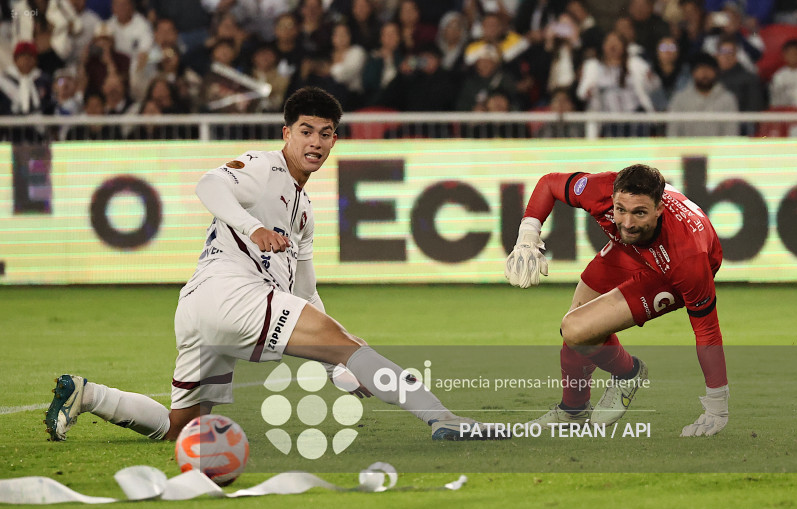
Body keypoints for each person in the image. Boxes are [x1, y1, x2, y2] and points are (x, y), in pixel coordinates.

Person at [45, 87, 495, 444]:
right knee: (348, 346)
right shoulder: (263, 167)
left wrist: (334, 363)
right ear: (286, 133)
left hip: (199, 308)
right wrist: (252, 227)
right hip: (231, 294)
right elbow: (208, 184)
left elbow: (306, 294)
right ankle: (443, 419)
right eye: (306, 131)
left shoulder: (304, 211)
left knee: (181, 428)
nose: (315, 142)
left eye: (325, 133)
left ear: (334, 140)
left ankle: (89, 394)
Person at [505, 164, 730, 437]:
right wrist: (527, 237)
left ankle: (628, 373)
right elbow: (549, 184)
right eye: (620, 209)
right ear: (612, 198)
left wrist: (717, 407)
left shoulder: (688, 260)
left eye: (640, 212)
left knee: (576, 329)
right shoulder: (601, 190)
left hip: (666, 269)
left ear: (659, 209)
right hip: (630, 248)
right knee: (576, 326)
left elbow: (707, 331)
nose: (627, 222)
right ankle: (573, 412)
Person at [667, 52, 738, 136]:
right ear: (693, 73)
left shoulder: (727, 99)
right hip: (687, 144)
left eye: (709, 69)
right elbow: (673, 133)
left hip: (718, 145)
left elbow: (731, 133)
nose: (705, 73)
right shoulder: (679, 99)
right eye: (700, 69)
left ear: (715, 72)